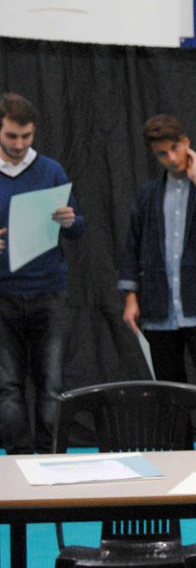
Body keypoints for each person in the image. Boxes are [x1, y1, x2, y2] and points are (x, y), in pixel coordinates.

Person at [118, 115, 196, 386]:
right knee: (169, 390)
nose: (172, 158)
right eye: (162, 153)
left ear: (186, 142)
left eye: (175, 148)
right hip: (159, 307)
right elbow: (133, 246)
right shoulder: (148, 195)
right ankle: (175, 420)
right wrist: (130, 297)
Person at [0, 92, 85, 454]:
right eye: (12, 136)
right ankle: (17, 460)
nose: (20, 145)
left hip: (48, 291)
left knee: (51, 385)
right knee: (7, 386)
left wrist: (70, 220)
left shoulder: (50, 170)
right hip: (3, 293)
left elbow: (78, 228)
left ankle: (50, 460)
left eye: (27, 136)